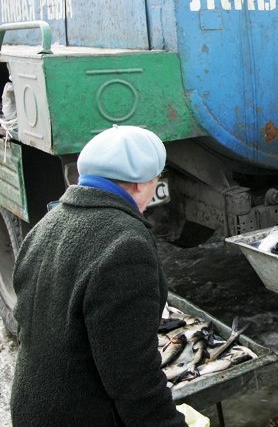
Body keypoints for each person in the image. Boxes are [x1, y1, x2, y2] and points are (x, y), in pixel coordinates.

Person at [10, 125, 189, 426]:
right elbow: (134, 381)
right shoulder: (126, 246)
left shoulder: (47, 224)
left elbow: (26, 318)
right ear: (139, 184)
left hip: (32, 409)